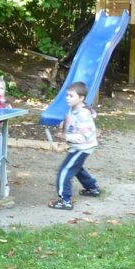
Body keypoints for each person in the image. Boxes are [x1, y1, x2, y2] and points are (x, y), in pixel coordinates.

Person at [48, 81, 101, 211]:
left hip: (82, 147)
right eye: (66, 95)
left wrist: (67, 137)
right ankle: (92, 188)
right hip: (79, 146)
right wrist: (63, 124)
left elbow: (85, 135)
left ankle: (65, 200)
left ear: (81, 98)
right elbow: (72, 122)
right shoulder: (74, 109)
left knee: (65, 171)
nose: (67, 98)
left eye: (71, 96)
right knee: (76, 168)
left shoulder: (83, 114)